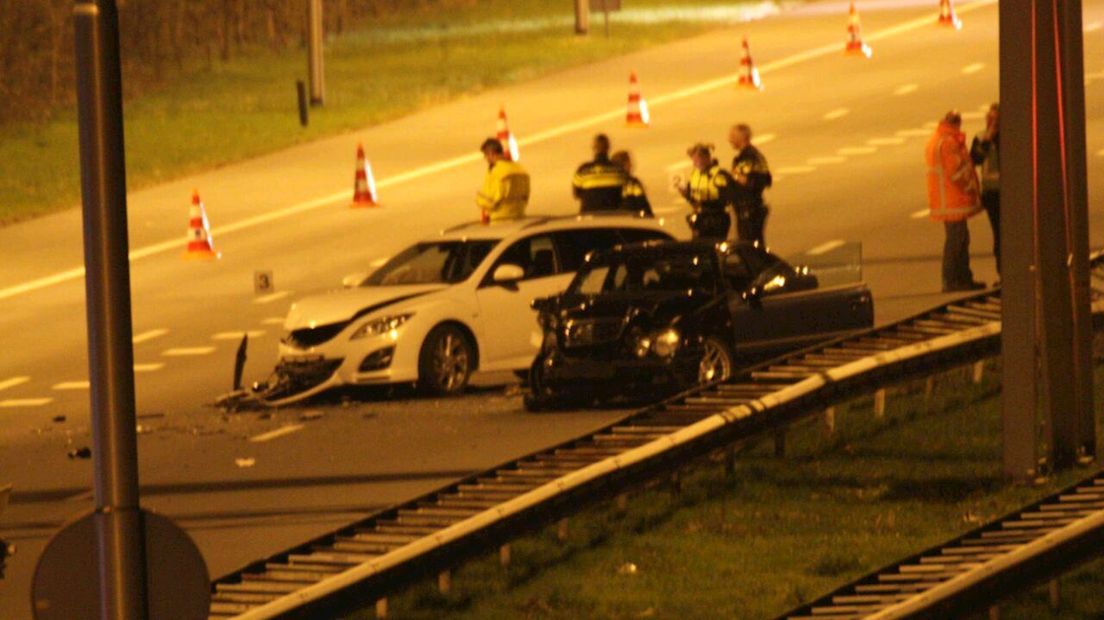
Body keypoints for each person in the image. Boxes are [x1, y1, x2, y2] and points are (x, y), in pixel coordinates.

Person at [926, 111, 984, 292]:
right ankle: (953, 280)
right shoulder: (948, 143)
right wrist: (970, 188)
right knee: (957, 241)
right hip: (953, 200)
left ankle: (962, 278)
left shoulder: (939, 139)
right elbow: (957, 172)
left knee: (959, 239)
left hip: (947, 201)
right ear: (956, 124)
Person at [675, 143, 736, 240]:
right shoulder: (695, 174)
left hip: (716, 219)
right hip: (701, 217)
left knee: (713, 248)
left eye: (696, 160)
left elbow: (728, 198)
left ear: (706, 158)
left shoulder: (719, 174)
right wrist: (686, 194)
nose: (694, 163)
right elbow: (693, 197)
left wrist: (705, 199)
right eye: (693, 160)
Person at [728, 123, 773, 246]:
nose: (729, 139)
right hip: (747, 208)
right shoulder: (746, 156)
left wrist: (735, 176)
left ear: (742, 137)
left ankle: (761, 264)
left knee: (750, 244)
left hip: (750, 208)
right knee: (751, 243)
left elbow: (760, 181)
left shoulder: (751, 157)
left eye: (733, 136)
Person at [970, 102, 1000, 279]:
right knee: (999, 235)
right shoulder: (981, 137)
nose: (991, 122)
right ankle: (1002, 272)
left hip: (1010, 193)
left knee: (1011, 234)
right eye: (989, 118)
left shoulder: (1011, 134)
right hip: (991, 194)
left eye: (995, 119)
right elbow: (976, 159)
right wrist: (988, 138)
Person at [476, 137, 529, 222]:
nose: (485, 159)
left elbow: (491, 200)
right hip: (519, 217)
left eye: (485, 155)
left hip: (500, 219)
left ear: (491, 153)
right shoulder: (521, 170)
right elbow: (526, 196)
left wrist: (479, 199)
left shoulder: (497, 172)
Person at [573, 133, 627, 213]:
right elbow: (625, 192)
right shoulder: (618, 170)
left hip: (588, 215)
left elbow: (576, 194)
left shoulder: (583, 170)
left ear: (593, 148)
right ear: (608, 148)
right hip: (612, 215)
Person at [610, 150, 653, 217]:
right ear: (623, 165)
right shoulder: (633, 183)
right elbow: (643, 204)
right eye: (629, 163)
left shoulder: (610, 183)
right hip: (631, 222)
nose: (631, 165)